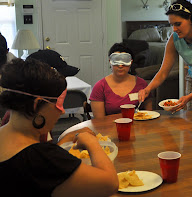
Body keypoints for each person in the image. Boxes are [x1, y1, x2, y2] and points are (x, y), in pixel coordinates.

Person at [0, 59, 118, 196]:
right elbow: (110, 184)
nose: (62, 111)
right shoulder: (41, 158)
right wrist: (92, 143)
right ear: (36, 104)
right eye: (59, 103)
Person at [90, 42, 152, 118]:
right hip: (109, 128)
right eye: (116, 61)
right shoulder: (100, 87)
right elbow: (99, 121)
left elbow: (149, 115)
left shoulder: (142, 84)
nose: (120, 65)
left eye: (124, 61)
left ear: (130, 62)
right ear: (110, 62)